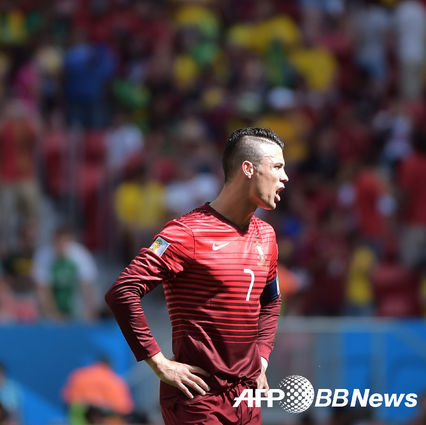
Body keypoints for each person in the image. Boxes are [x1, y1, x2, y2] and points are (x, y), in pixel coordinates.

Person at [105, 127, 288, 425]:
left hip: (246, 396)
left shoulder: (266, 235)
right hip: (198, 397)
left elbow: (271, 301)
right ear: (248, 169)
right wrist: (159, 362)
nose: (285, 177)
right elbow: (123, 290)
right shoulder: (186, 232)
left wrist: (262, 358)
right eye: (277, 167)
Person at [32, 225, 98, 321]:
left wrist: (88, 313)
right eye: (57, 242)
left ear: (70, 242)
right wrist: (53, 314)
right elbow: (42, 289)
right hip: (52, 304)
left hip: (74, 303)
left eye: (64, 242)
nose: (60, 246)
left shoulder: (81, 255)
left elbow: (87, 287)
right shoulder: (43, 256)